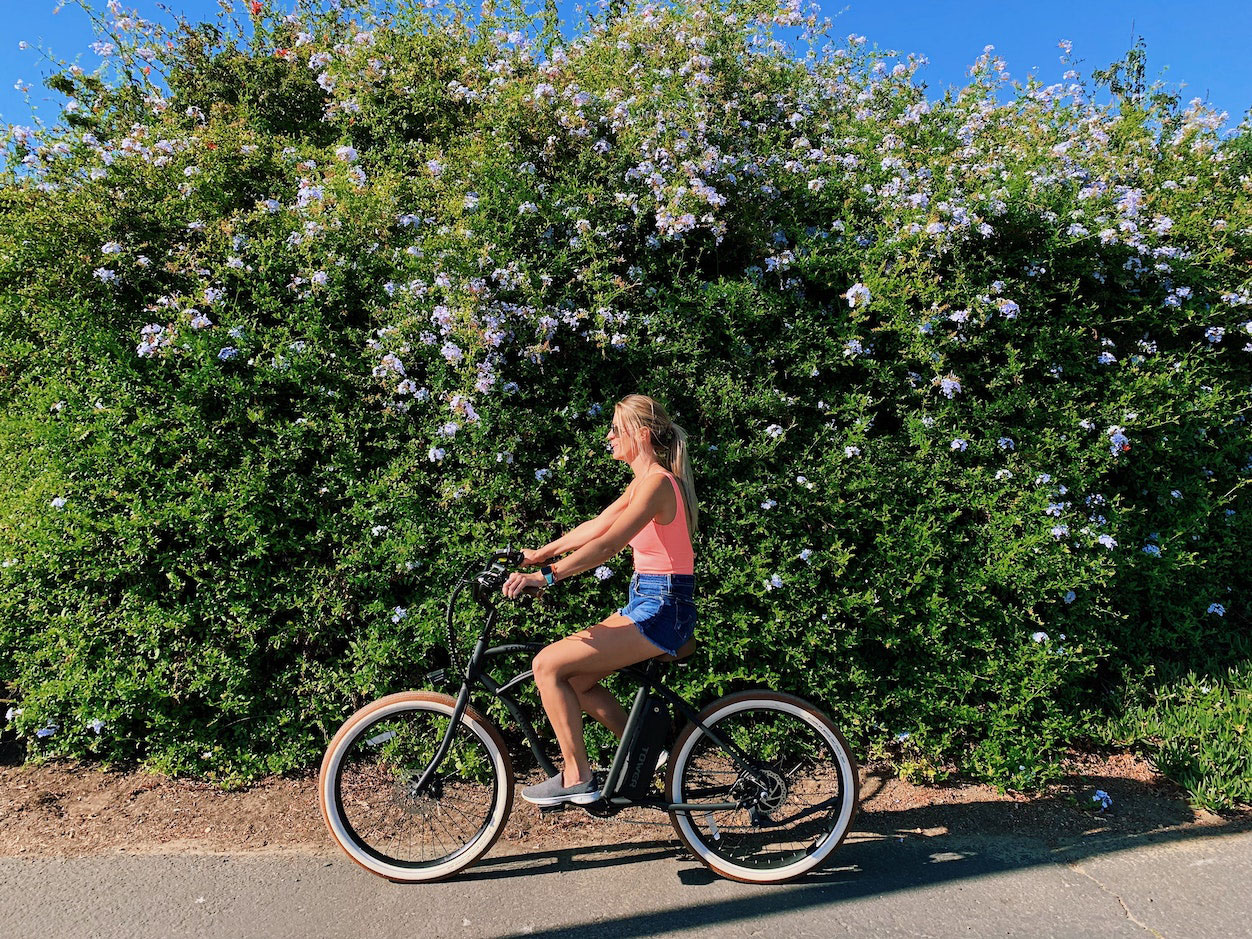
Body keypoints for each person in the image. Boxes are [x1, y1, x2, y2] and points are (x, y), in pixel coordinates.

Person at [501, 394, 699, 807]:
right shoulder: (643, 482)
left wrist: (546, 576)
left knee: (547, 664)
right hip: (649, 599)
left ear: (641, 435)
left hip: (663, 606)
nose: (608, 436)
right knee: (576, 680)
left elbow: (609, 544)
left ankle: (576, 776)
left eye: (616, 429)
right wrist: (538, 554)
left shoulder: (658, 484)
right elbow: (595, 526)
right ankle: (648, 752)